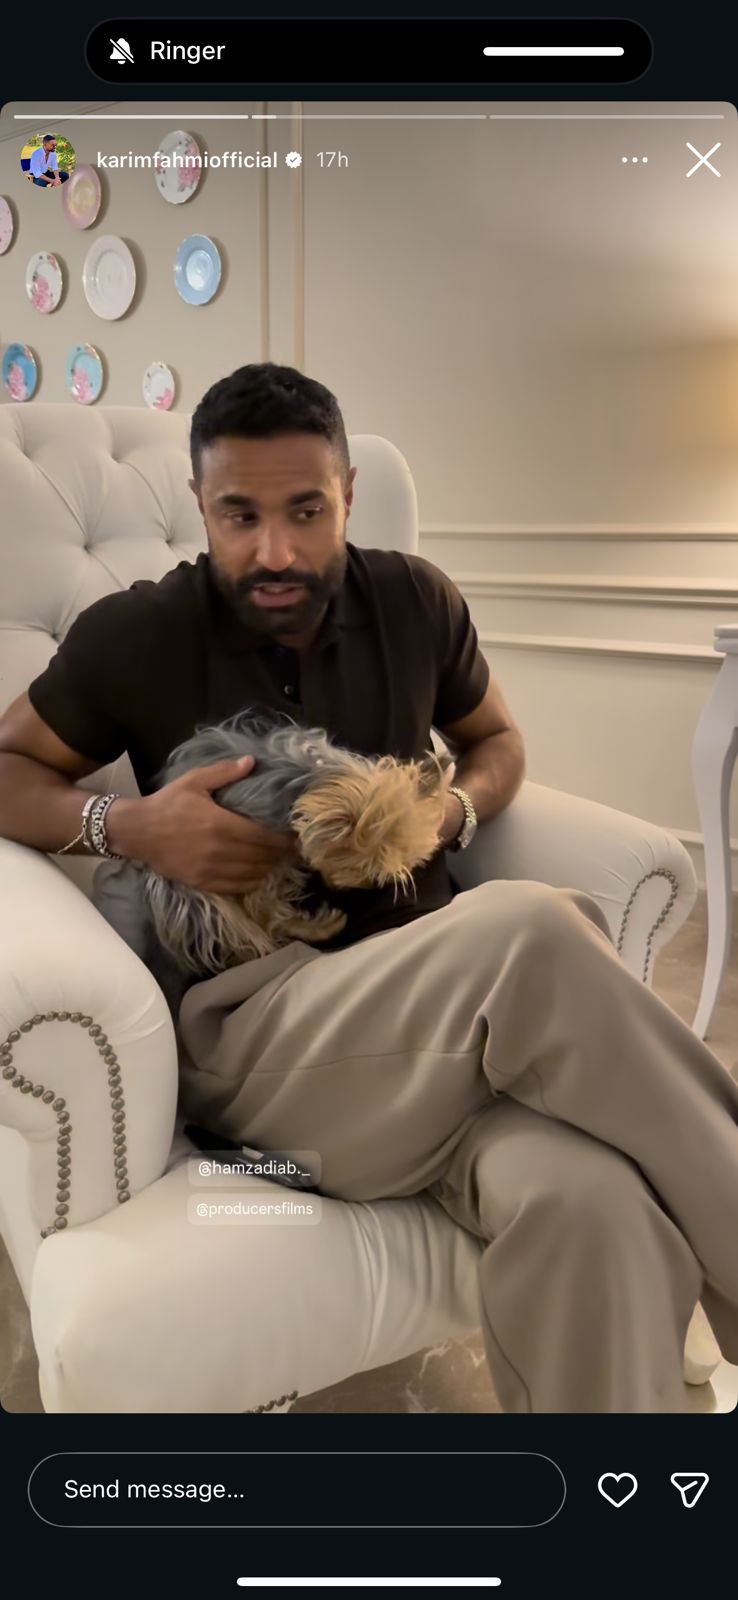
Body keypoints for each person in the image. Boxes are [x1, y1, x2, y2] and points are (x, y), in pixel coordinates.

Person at [0, 362, 736, 1414]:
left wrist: (453, 812)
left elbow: (496, 740)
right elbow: (9, 768)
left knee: (593, 1199)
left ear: (347, 492)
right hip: (263, 1064)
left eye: (306, 511)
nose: (275, 551)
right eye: (240, 516)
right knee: (533, 932)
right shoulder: (138, 632)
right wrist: (127, 825)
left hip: (440, 1042)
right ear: (202, 505)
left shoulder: (416, 599)